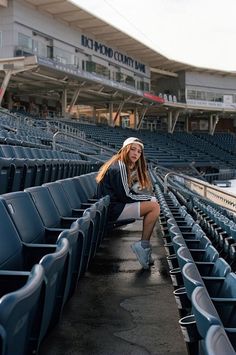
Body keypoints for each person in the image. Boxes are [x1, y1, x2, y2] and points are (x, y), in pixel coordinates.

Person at [96, 137, 160, 269]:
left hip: (112, 207)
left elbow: (127, 192)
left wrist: (147, 198)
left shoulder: (120, 164)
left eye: (139, 151)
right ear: (125, 149)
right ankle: (143, 246)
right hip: (112, 209)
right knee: (154, 207)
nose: (136, 153)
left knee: (153, 204)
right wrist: (148, 199)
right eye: (133, 149)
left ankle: (144, 246)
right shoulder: (120, 166)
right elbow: (126, 196)